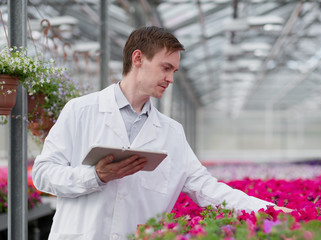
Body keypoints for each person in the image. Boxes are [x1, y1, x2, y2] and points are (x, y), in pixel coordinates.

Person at [32, 26, 291, 240]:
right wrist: (95, 176)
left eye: (174, 71)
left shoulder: (171, 132)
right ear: (138, 59)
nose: (171, 79)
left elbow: (205, 188)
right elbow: (43, 174)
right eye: (166, 68)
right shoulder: (80, 111)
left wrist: (267, 209)